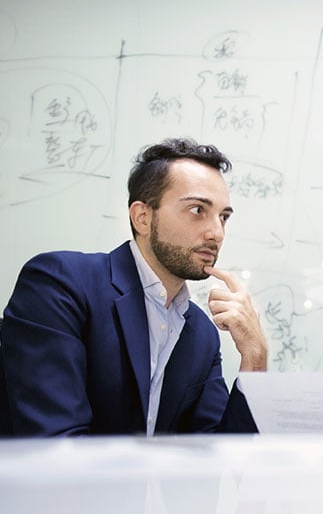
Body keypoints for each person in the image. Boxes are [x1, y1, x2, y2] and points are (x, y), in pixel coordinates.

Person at [0, 137, 267, 436]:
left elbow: (219, 457)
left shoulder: (202, 333)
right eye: (197, 210)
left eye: (224, 217)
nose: (216, 232)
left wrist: (254, 357)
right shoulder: (60, 284)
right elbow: (56, 444)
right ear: (142, 217)